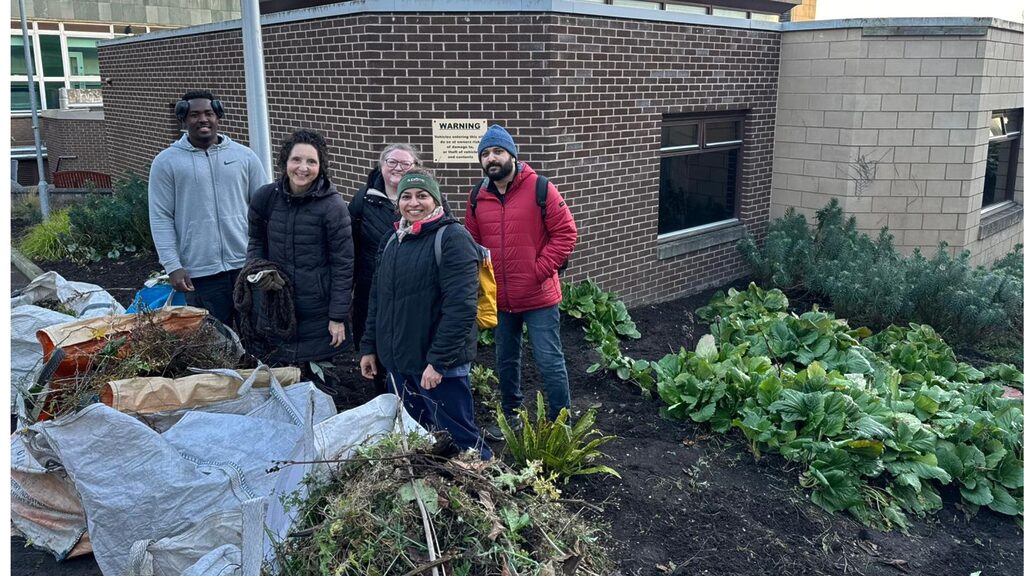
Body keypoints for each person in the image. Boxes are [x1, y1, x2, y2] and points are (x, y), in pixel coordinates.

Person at [359, 169, 491, 459]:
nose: (413, 202)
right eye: (406, 196)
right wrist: (370, 347)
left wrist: (438, 362)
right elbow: (378, 299)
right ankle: (440, 490)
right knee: (424, 437)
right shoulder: (393, 240)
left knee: (461, 439)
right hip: (400, 362)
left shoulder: (452, 238)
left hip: (438, 367)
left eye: (422, 195)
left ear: (436, 199)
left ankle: (485, 487)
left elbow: (461, 307)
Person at [464, 124, 577, 438]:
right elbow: (471, 244)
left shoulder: (541, 188)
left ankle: (561, 424)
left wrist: (537, 271)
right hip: (500, 300)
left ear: (512, 154)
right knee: (506, 361)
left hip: (539, 297)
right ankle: (512, 417)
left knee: (549, 360)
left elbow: (566, 234)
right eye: (485, 154)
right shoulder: (477, 197)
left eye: (497, 151)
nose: (491, 158)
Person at [148, 90, 267, 327]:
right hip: (200, 273)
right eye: (194, 115)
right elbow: (161, 217)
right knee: (213, 341)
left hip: (246, 265)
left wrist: (266, 256)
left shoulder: (245, 157)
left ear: (218, 116)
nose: (203, 119)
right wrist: (173, 266)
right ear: (183, 118)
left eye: (209, 113)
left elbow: (265, 210)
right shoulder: (166, 162)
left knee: (257, 334)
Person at [244, 129, 354, 372]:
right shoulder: (266, 198)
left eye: (311, 162)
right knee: (279, 377)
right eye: (296, 159)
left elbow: (343, 264)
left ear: (320, 166)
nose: (303, 168)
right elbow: (256, 241)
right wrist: (258, 271)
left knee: (320, 384)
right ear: (285, 162)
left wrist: (337, 316)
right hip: (275, 305)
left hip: (317, 311)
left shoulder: (333, 207)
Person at [349, 144, 422, 393]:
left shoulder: (425, 199)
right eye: (392, 162)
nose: (397, 168)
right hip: (371, 291)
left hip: (413, 293)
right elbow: (351, 247)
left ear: (415, 167)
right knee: (374, 351)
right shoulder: (363, 200)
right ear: (381, 165)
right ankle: (381, 399)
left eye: (405, 163)